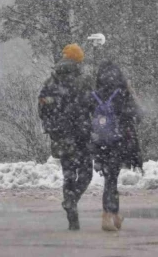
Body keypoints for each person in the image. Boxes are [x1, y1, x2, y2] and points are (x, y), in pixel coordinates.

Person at [38, 43, 94, 230]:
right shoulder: (84, 81)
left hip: (61, 136)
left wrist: (52, 128)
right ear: (78, 61)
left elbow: (42, 108)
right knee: (86, 174)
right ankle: (72, 200)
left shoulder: (50, 82)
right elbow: (94, 106)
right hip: (82, 135)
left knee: (68, 175)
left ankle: (72, 219)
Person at [90, 60, 143, 232]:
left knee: (109, 178)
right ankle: (108, 216)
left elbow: (87, 118)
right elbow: (138, 115)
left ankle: (114, 214)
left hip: (100, 143)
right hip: (118, 142)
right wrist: (131, 92)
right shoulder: (122, 93)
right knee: (111, 179)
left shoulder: (96, 94)